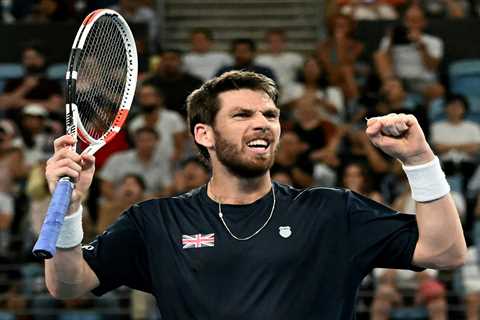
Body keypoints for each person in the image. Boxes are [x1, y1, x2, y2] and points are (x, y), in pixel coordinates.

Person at [43, 71, 466, 319]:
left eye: (270, 115)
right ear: (203, 134)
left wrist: (420, 161)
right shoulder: (154, 222)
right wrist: (70, 213)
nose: (262, 123)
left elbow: (445, 253)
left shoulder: (332, 211)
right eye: (243, 115)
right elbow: (69, 284)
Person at [374, 5, 445, 101]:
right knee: (379, 55)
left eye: (415, 21)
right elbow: (384, 63)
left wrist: (422, 47)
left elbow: (432, 67)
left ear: (424, 23)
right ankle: (391, 88)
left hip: (422, 82)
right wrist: (391, 43)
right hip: (397, 80)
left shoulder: (433, 41)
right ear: (404, 22)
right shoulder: (391, 39)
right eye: (408, 20)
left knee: (437, 90)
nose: (411, 25)